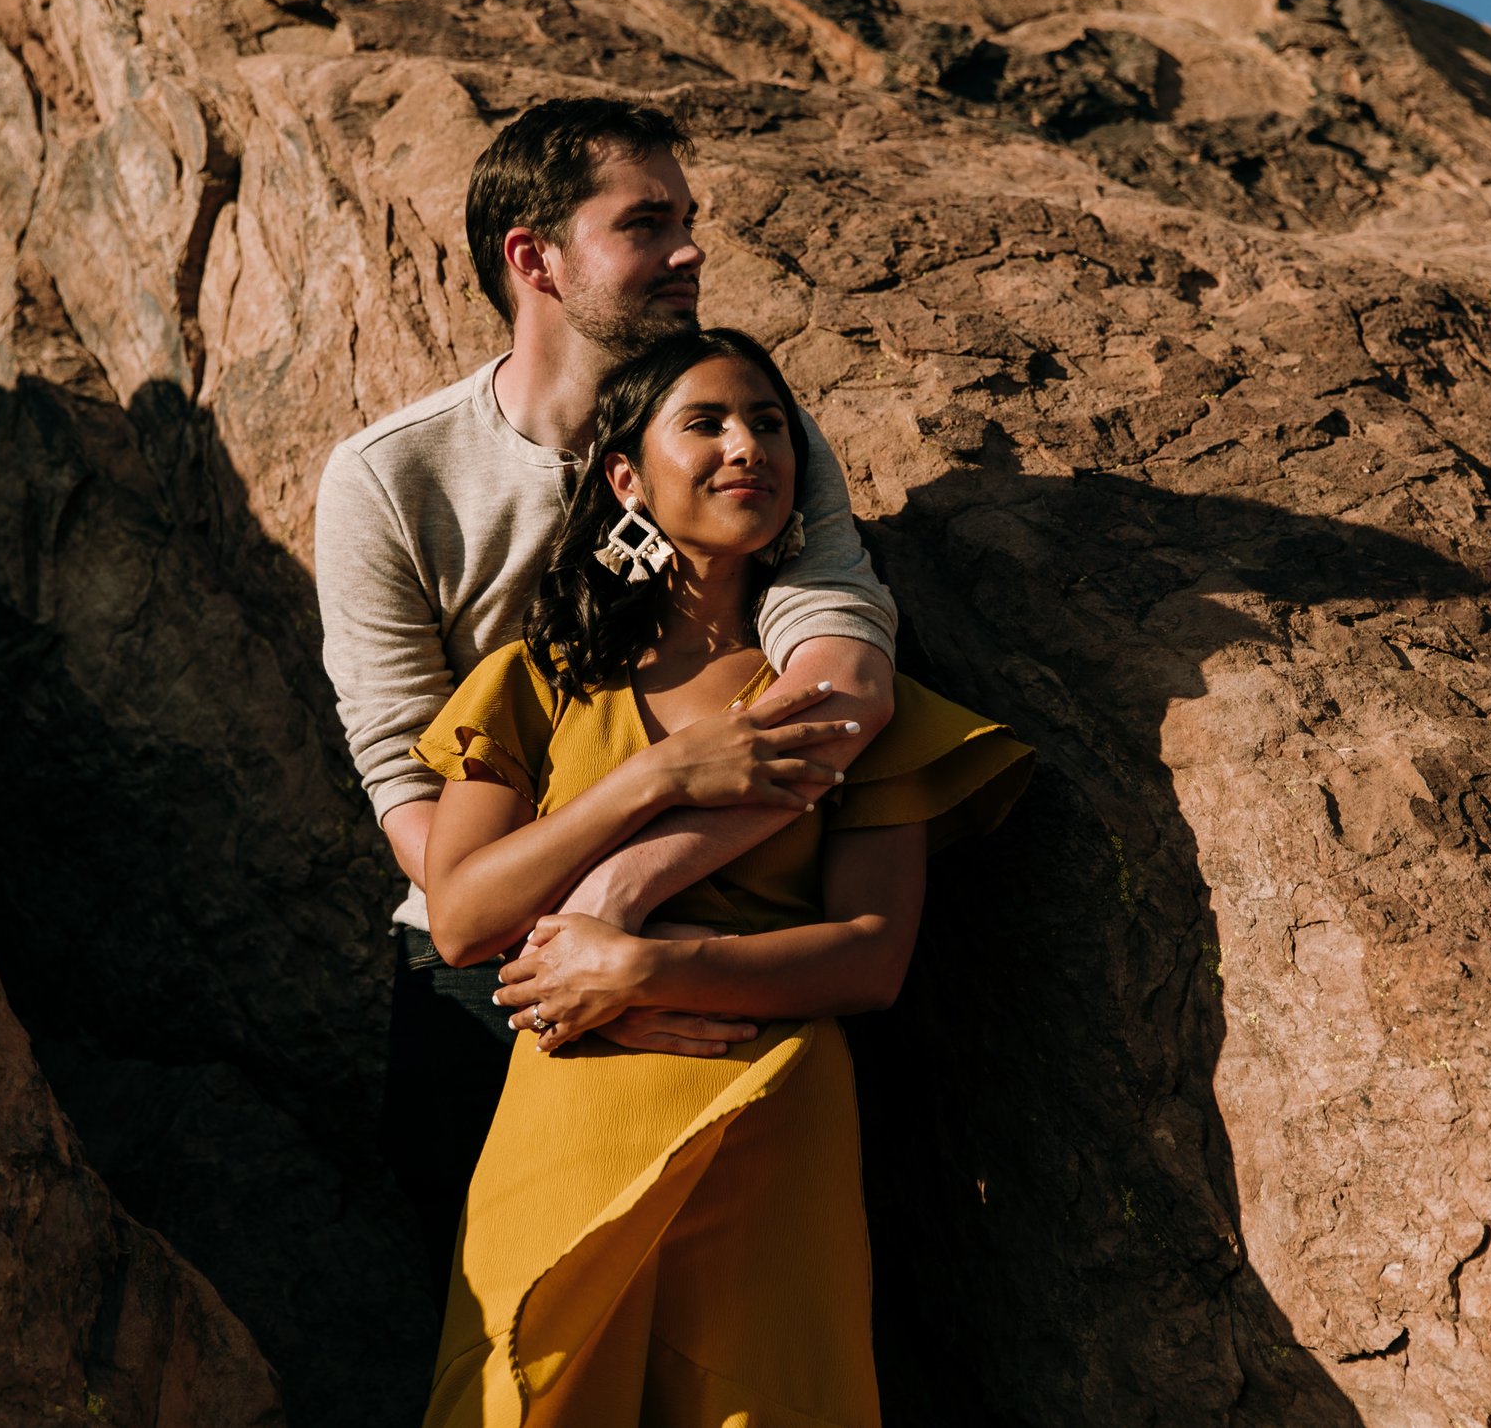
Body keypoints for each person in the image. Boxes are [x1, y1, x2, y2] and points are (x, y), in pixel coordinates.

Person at [314, 98, 903, 1267]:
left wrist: (626, 921)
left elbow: (839, 687)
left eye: (688, 220)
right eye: (646, 224)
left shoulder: (756, 442)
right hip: (483, 978)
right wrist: (567, 947)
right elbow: (402, 774)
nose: (690, 250)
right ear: (532, 258)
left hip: (729, 947)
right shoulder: (394, 478)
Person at [412, 328, 1033, 1424]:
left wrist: (648, 964)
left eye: (768, 423)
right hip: (567, 1115)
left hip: (768, 1121)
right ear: (624, 476)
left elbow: (871, 955)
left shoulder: (852, 695)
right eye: (703, 423)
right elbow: (461, 919)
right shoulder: (535, 680)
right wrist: (651, 777)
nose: (746, 445)